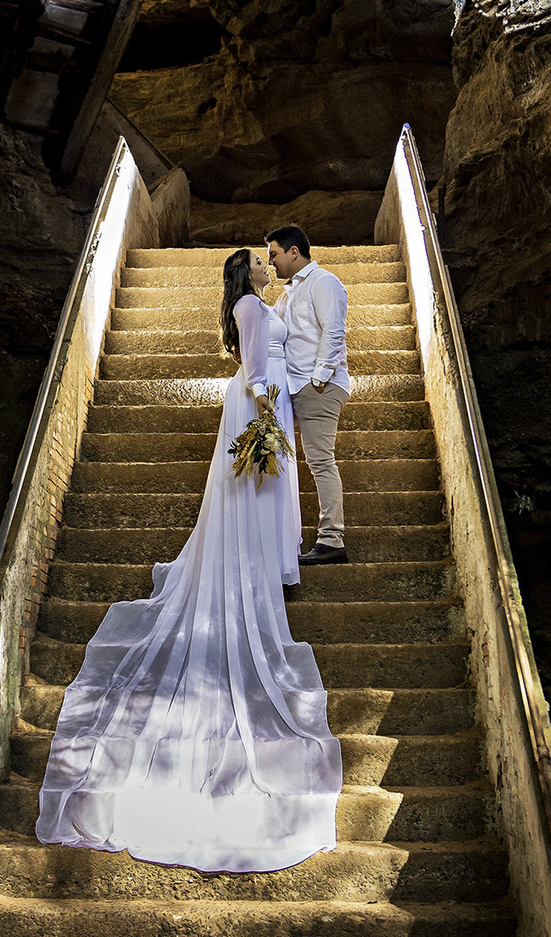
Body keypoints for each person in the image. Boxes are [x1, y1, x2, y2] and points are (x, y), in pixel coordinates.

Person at [35, 247, 342, 874]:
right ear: (247, 275)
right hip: (259, 406)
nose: (265, 262)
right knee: (260, 488)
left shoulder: (262, 301)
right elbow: (257, 365)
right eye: (258, 260)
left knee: (267, 494)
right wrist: (263, 421)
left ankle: (262, 561)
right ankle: (250, 567)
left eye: (267, 256)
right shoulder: (252, 305)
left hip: (270, 401)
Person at [266, 225, 350, 565]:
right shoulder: (286, 295)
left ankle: (332, 539)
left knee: (320, 461)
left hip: (319, 386)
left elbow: (334, 330)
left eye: (274, 254)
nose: (271, 262)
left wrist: (317, 379)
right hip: (293, 387)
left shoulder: (323, 282)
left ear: (293, 252)